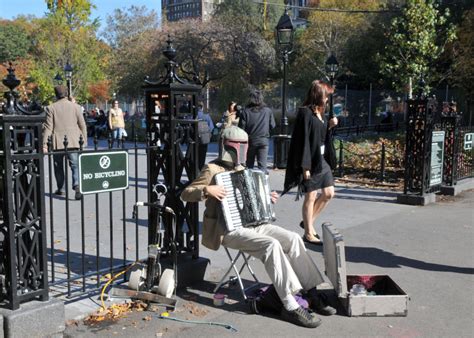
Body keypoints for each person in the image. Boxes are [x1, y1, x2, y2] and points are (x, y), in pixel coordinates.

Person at [181, 126, 336, 328]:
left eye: (246, 146)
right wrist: (207, 189)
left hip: (255, 226)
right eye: (240, 146)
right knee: (271, 245)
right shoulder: (212, 169)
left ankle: (311, 292)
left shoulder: (243, 170)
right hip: (228, 230)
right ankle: (289, 304)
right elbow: (186, 193)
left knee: (294, 238)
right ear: (228, 146)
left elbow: (251, 201)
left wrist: (265, 198)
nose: (244, 150)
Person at [283, 80, 338, 245]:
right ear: (319, 95)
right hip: (310, 161)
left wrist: (329, 126)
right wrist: (305, 166)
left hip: (322, 159)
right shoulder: (305, 113)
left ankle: (308, 222)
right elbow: (303, 140)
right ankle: (308, 233)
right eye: (326, 96)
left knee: (329, 193)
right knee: (311, 195)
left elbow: (320, 136)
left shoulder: (322, 113)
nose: (328, 99)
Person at [42, 85, 87, 200]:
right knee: (75, 165)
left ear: (56, 94)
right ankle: (77, 185)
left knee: (58, 167)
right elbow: (82, 125)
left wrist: (44, 144)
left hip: (57, 142)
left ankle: (61, 189)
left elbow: (48, 127)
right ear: (66, 94)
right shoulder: (76, 107)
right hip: (73, 140)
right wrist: (84, 141)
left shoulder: (51, 108)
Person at [238, 89, 275, 174]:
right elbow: (272, 125)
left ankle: (249, 185)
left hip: (250, 141)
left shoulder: (245, 112)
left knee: (249, 166)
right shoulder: (268, 111)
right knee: (262, 167)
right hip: (263, 141)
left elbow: (241, 129)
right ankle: (262, 185)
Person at [197, 102, 214, 170]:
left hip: (195, 140)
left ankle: (195, 170)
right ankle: (201, 169)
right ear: (202, 107)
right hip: (204, 139)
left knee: (195, 156)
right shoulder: (206, 116)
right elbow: (211, 127)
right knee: (202, 156)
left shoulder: (192, 116)